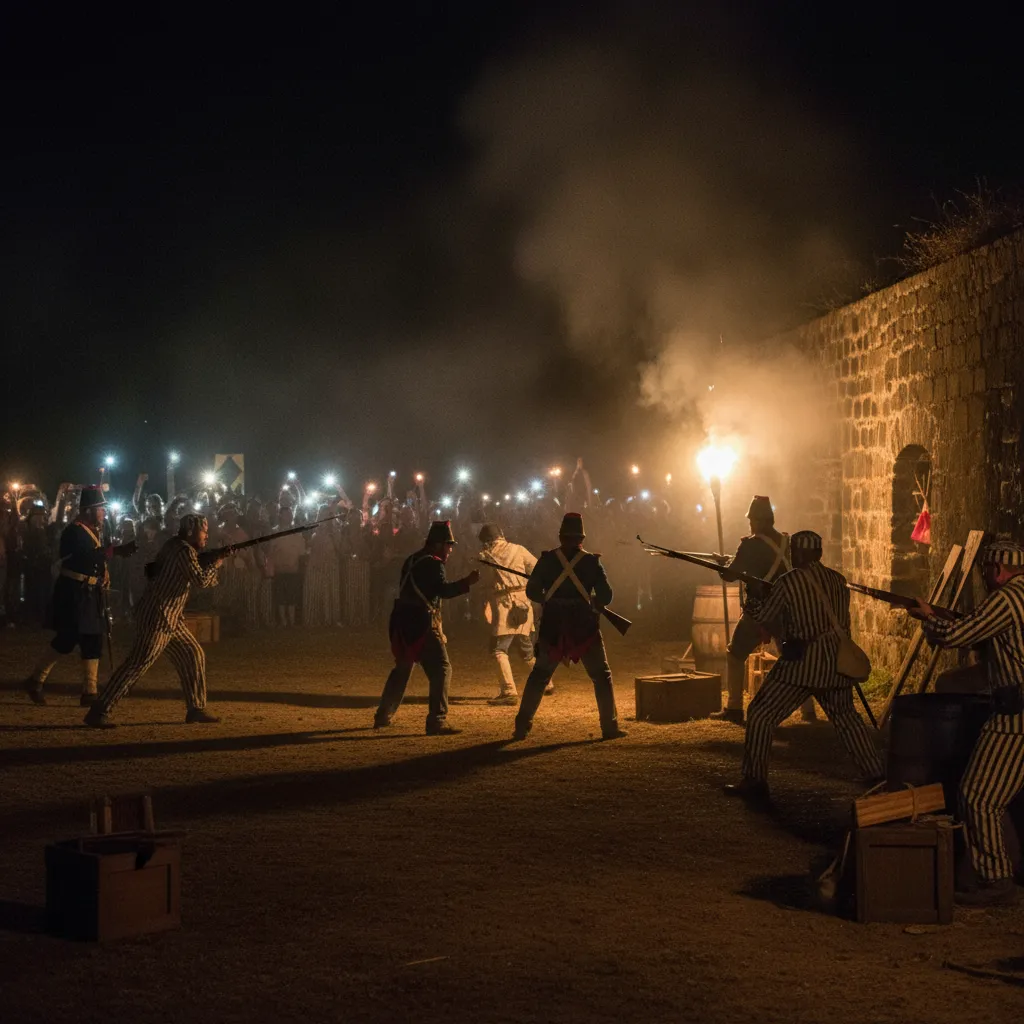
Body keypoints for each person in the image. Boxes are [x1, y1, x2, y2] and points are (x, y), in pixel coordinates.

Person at [723, 530, 883, 806]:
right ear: (819, 554)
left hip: (801, 664)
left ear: (797, 554)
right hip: (835, 663)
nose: (793, 557)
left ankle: (755, 781)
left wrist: (755, 593)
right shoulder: (837, 580)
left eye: (794, 552)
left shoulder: (788, 582)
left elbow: (762, 615)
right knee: (847, 719)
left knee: (761, 714)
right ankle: (876, 776)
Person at [912, 540, 1024, 906]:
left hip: (1015, 718)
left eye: (986, 572)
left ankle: (996, 879)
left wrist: (929, 618)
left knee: (977, 796)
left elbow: (958, 635)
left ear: (995, 570)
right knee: (999, 797)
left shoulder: (1005, 598)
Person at [84, 513, 225, 727]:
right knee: (138, 663)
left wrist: (208, 558)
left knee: (192, 654)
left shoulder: (174, 545)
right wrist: (216, 563)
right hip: (159, 615)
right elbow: (200, 580)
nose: (207, 535)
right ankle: (100, 709)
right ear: (191, 532)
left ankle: (196, 708)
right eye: (204, 531)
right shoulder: (185, 551)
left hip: (169, 616)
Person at [512, 512, 626, 741]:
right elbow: (606, 595)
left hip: (553, 625)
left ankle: (521, 728)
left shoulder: (546, 560)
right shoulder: (592, 562)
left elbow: (532, 591)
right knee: (601, 676)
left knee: (540, 675)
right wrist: (593, 601)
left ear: (561, 536)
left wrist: (550, 598)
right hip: (584, 627)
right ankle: (609, 727)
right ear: (581, 538)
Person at [23, 486, 134, 706]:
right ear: (89, 510)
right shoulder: (73, 531)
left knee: (92, 639)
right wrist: (114, 551)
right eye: (100, 509)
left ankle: (89, 692)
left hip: (90, 593)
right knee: (66, 640)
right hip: (73, 593)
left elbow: (95, 560)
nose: (103, 513)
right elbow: (85, 557)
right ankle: (36, 680)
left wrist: (105, 572)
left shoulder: (93, 530)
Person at [711, 495, 816, 725]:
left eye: (752, 520)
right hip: (787, 610)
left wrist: (721, 565)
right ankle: (809, 711)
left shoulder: (749, 544)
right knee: (794, 658)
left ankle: (735, 708)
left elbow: (730, 575)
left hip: (759, 611)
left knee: (735, 653)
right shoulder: (787, 542)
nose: (750, 524)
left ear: (759, 520)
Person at [374, 520, 479, 735]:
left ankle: (383, 714)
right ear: (439, 545)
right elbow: (442, 591)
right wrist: (467, 582)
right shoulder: (433, 563)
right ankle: (436, 721)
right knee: (442, 668)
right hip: (419, 622)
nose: (450, 550)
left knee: (403, 667)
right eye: (448, 545)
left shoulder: (412, 559)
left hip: (401, 621)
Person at [478, 523, 542, 705]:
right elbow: (537, 569)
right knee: (525, 647)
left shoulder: (485, 556)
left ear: (486, 541)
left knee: (498, 649)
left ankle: (508, 691)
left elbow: (485, 582)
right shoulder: (519, 549)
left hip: (503, 604)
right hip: (523, 601)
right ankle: (546, 683)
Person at [272, 505, 306, 626]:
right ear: (280, 516)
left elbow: (302, 553)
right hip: (279, 570)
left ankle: (291, 621)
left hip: (293, 570)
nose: (289, 516)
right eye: (286, 514)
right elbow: (270, 551)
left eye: (290, 514)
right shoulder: (274, 532)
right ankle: (283, 621)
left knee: (292, 597)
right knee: (281, 597)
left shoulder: (297, 533)